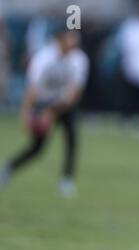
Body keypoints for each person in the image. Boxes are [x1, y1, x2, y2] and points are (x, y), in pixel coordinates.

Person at [0, 25, 89, 197]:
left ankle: (66, 180)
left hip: (63, 104)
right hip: (43, 101)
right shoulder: (44, 57)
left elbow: (75, 93)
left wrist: (52, 112)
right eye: (70, 37)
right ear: (60, 39)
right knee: (37, 148)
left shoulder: (79, 59)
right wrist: (26, 113)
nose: (75, 42)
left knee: (72, 139)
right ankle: (9, 167)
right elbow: (32, 89)